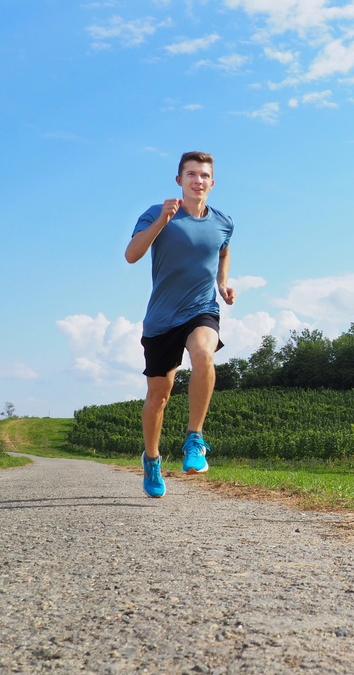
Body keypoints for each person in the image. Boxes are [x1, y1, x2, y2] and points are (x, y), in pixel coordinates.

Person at [125, 151, 235, 498]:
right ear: (179, 180)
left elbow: (223, 249)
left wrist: (222, 282)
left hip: (201, 308)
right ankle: (153, 459)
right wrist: (161, 220)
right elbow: (131, 254)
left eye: (203, 175)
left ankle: (195, 439)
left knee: (204, 355)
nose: (197, 180)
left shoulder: (223, 221)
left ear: (212, 183)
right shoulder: (157, 214)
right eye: (191, 174)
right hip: (161, 318)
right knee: (159, 397)